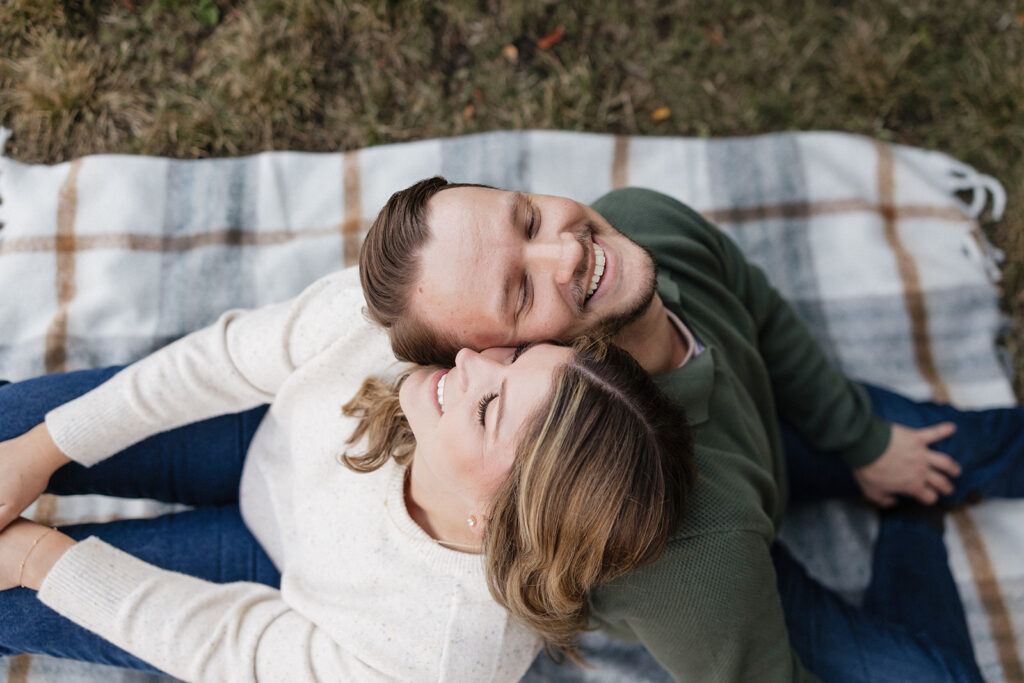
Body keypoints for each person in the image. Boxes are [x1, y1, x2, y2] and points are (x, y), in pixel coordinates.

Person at [359, 177, 1024, 682]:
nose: (569, 248)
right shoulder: (686, 556)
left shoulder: (641, 225)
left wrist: (860, 436)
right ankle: (913, 526)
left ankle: (905, 491)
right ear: (486, 361)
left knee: (965, 440)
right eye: (521, 293)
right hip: (741, 575)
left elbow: (757, 306)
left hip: (766, 429)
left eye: (528, 217)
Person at [0, 266, 696, 681]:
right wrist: (37, 451)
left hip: (278, 583)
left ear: (494, 521)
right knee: (9, 429)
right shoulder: (428, 321)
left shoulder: (441, 650)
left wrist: (40, 556)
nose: (472, 362)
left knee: (13, 601)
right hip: (261, 424)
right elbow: (224, 360)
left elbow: (236, 649)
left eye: (489, 406)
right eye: (516, 358)